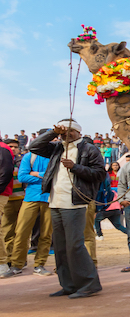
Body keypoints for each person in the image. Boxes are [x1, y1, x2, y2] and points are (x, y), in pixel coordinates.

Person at [29, 119, 105, 297]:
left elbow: (100, 174)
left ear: (79, 132)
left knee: (74, 245)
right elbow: (34, 146)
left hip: (75, 203)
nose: (66, 134)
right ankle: (69, 285)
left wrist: (76, 167)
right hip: (55, 202)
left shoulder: (89, 149)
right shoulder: (57, 147)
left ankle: (89, 284)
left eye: (70, 131)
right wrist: (52, 132)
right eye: (63, 131)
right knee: (61, 247)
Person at [7, 148, 53, 276]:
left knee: (46, 233)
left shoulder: (56, 156)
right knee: (21, 231)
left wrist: (35, 173)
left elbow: (56, 177)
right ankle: (16, 265)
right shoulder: (30, 156)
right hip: (31, 197)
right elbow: (22, 177)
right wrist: (44, 176)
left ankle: (40, 264)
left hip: (50, 198)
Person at [0, 138, 24, 272]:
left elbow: (23, 177)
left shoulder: (22, 161)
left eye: (15, 146)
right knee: (7, 230)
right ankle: (9, 259)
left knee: (21, 231)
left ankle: (18, 260)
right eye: (11, 146)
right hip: (9, 199)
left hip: (22, 198)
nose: (13, 149)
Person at [93, 173, 127, 239]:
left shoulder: (102, 192)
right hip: (116, 210)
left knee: (96, 220)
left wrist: (97, 210)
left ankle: (100, 235)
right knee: (118, 225)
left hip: (107, 210)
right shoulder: (114, 192)